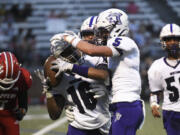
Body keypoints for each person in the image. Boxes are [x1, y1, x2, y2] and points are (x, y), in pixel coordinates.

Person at [50, 8, 145, 135]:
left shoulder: (120, 44)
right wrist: (71, 105)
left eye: (101, 32)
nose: (93, 37)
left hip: (122, 105)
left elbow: (94, 55)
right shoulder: (95, 57)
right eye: (90, 33)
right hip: (114, 107)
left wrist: (67, 38)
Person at [35, 16, 111, 135]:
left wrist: (108, 91)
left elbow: (105, 76)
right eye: (64, 53)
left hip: (103, 124)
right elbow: (54, 115)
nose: (70, 54)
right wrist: (49, 91)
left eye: (70, 49)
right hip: (77, 127)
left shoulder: (95, 57)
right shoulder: (59, 71)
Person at [148, 23, 180, 135]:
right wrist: (154, 105)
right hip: (171, 111)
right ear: (163, 42)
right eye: (168, 39)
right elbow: (155, 91)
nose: (172, 42)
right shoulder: (157, 66)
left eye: (175, 39)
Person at [0, 51, 32, 135]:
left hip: (10, 115)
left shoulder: (23, 78)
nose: (7, 84)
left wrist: (23, 110)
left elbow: (23, 96)